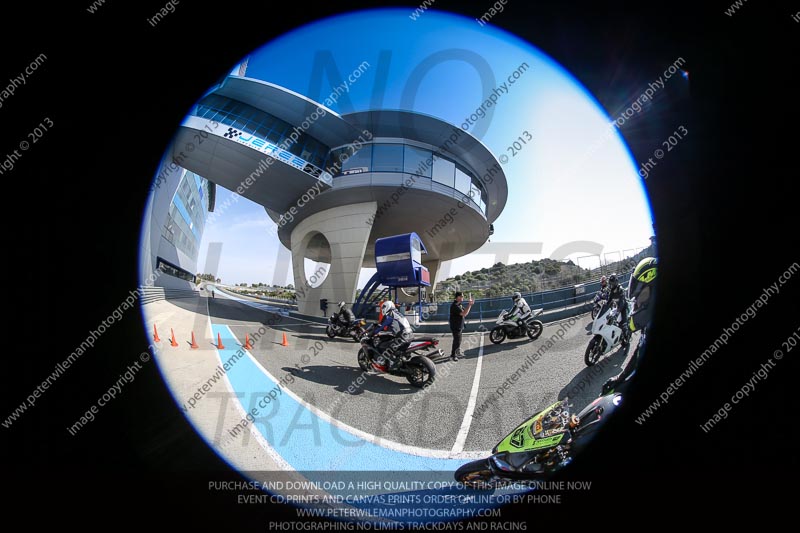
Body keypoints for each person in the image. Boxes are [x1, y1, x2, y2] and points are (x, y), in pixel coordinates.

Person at [603, 257, 658, 393]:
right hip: (616, 309)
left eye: (641, 296)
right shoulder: (649, 324)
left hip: (622, 309)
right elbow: (640, 350)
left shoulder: (620, 290)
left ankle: (624, 337)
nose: (637, 302)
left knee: (624, 323)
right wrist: (620, 378)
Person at [372, 301, 413, 370]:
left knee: (381, 346)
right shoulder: (398, 314)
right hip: (410, 335)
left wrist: (373, 333)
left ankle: (391, 365)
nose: (382, 309)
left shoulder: (390, 315)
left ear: (387, 306)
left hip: (402, 337)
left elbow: (381, 326)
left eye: (383, 307)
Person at [449, 291, 474, 361]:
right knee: (457, 341)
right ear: (457, 297)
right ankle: (453, 355)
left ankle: (457, 352)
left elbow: (465, 313)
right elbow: (463, 313)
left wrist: (469, 305)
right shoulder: (455, 306)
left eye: (462, 296)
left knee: (459, 340)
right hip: (455, 326)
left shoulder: (459, 304)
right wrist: (469, 305)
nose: (462, 297)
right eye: (461, 296)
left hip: (459, 325)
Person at [606, 274, 629, 343]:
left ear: (616, 282)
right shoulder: (612, 291)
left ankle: (627, 338)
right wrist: (605, 307)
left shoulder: (620, 289)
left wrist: (618, 312)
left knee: (624, 325)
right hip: (616, 307)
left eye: (612, 283)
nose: (611, 285)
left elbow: (622, 302)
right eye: (610, 283)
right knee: (609, 319)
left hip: (623, 308)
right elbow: (609, 301)